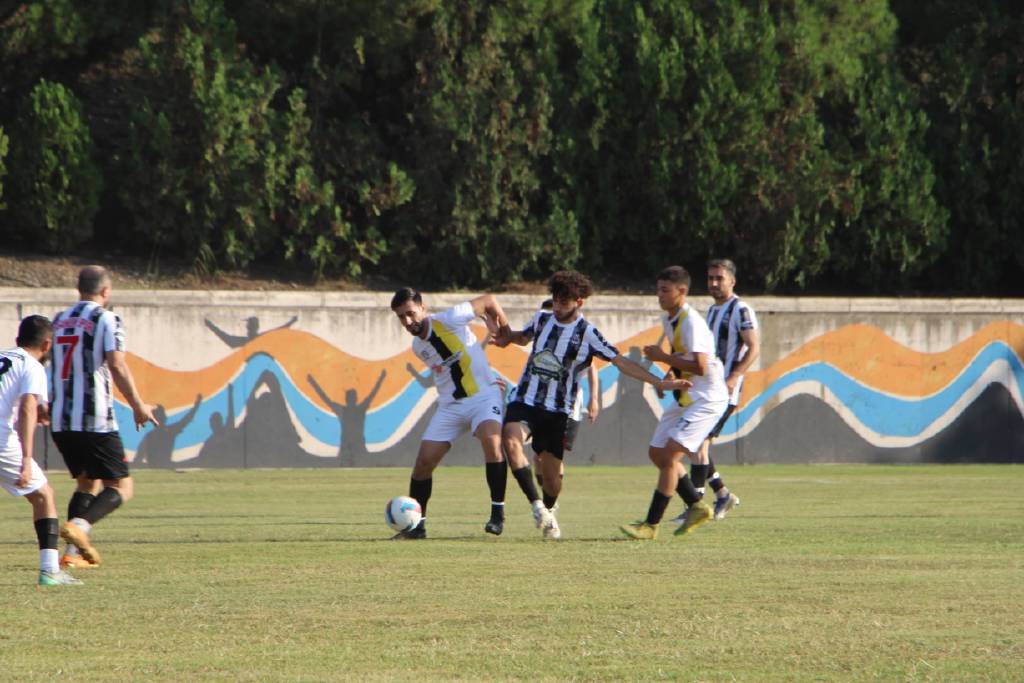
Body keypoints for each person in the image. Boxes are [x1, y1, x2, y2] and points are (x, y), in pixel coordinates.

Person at [493, 271, 688, 539]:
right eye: (555, 300)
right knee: (511, 440)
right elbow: (522, 337)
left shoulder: (588, 334)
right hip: (526, 400)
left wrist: (659, 382)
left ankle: (549, 509)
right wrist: (507, 337)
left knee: (552, 480)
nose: (558, 306)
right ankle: (536, 506)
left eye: (564, 301)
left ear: (580, 302)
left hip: (558, 412)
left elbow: (621, 362)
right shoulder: (541, 319)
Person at [51, 266, 158, 568]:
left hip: (62, 419)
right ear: (106, 291)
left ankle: (71, 557)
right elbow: (117, 364)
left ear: (79, 288)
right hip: (95, 418)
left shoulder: (58, 321)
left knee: (87, 484)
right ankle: (79, 528)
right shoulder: (107, 319)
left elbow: (48, 362)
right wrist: (138, 404)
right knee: (121, 487)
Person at [390, 288, 513, 539]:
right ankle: (416, 527)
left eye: (411, 313)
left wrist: (506, 331)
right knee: (424, 462)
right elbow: (452, 369)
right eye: (401, 317)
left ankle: (497, 515)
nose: (408, 321)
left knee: (492, 441)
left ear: (423, 308)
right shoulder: (418, 347)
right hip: (451, 406)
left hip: (483, 397)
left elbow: (489, 300)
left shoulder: (450, 319)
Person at [620, 265, 729, 540]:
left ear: (682, 291)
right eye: (658, 290)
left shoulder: (692, 321)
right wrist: (667, 377)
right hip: (686, 394)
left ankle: (650, 525)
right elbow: (683, 356)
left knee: (669, 456)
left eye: (665, 290)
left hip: (706, 399)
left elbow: (702, 366)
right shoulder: (670, 319)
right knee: (657, 454)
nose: (660, 295)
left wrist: (662, 358)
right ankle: (696, 506)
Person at [672, 258, 759, 524]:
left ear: (732, 280)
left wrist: (734, 376)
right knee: (697, 445)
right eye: (710, 278)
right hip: (706, 389)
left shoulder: (741, 309)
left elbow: (753, 347)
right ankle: (721, 494)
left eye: (719, 278)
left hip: (725, 392)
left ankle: (694, 506)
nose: (713, 283)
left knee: (697, 444)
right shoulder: (711, 311)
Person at [1, 315, 82, 585]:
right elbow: (26, 407)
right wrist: (25, 458)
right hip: (2, 439)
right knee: (43, 495)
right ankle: (50, 571)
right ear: (47, 344)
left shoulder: (5, 358)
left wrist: (41, 407)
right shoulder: (33, 366)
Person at [529, 299, 600, 493]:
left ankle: (550, 505)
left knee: (554, 455)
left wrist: (594, 399)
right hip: (541, 404)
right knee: (537, 456)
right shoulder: (541, 339)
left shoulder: (576, 338)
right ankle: (547, 497)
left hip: (567, 406)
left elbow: (592, 366)